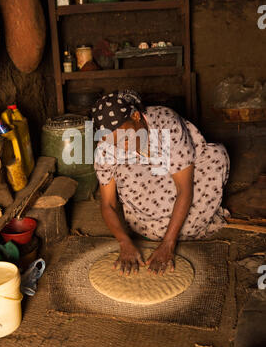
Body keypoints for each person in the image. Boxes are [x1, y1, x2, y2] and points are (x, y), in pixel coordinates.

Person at [91, 90, 230, 277]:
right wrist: (124, 242)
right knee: (157, 226)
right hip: (148, 176)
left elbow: (184, 189)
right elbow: (107, 204)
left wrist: (168, 244)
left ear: (136, 116)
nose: (121, 146)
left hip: (185, 170)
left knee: (215, 159)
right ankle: (158, 225)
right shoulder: (107, 148)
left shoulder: (166, 123)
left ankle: (168, 230)